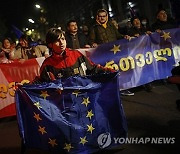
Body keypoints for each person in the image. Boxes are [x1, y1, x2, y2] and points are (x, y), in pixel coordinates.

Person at [39, 28, 114, 82]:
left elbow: (93, 69)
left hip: (83, 97)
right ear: (50, 44)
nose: (61, 42)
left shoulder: (76, 54)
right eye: (57, 40)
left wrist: (108, 71)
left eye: (63, 39)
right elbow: (42, 85)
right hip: (63, 102)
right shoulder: (47, 65)